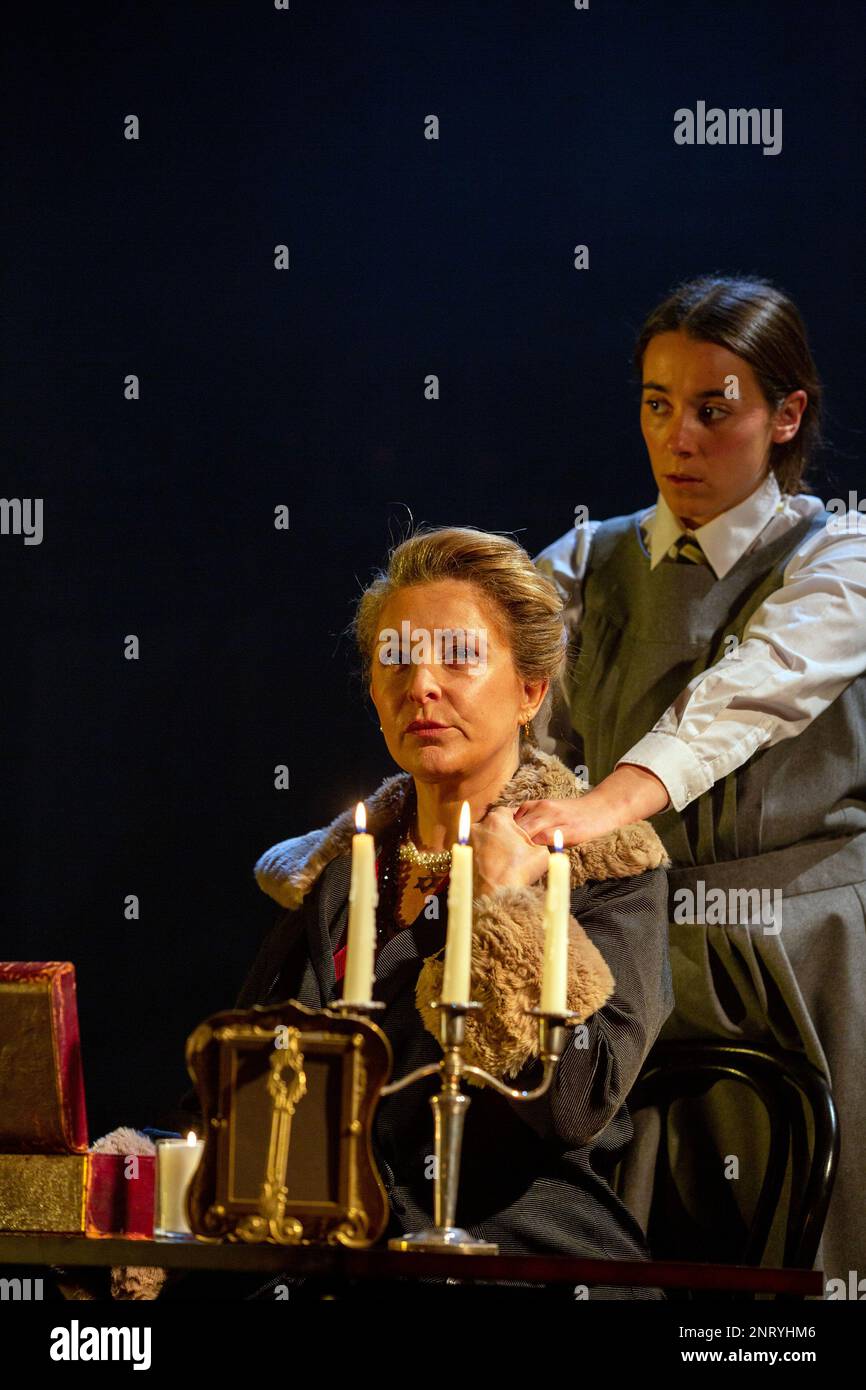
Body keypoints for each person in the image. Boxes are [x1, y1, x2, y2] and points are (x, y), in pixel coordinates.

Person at [179, 526, 673, 1302]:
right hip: (340, 1261)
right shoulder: (339, 872)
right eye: (397, 658)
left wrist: (508, 907)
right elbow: (238, 1088)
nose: (422, 685)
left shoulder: (602, 863)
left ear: (532, 690)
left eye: (458, 656)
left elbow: (573, 1103)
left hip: (522, 1260)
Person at [519, 274, 866, 1288]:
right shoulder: (586, 557)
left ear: (784, 413)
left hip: (804, 953)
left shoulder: (836, 552)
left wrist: (593, 808)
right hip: (640, 947)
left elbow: (742, 698)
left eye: (712, 409)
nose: (678, 436)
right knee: (644, 1244)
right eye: (656, 403)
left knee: (806, 1255)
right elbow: (497, 701)